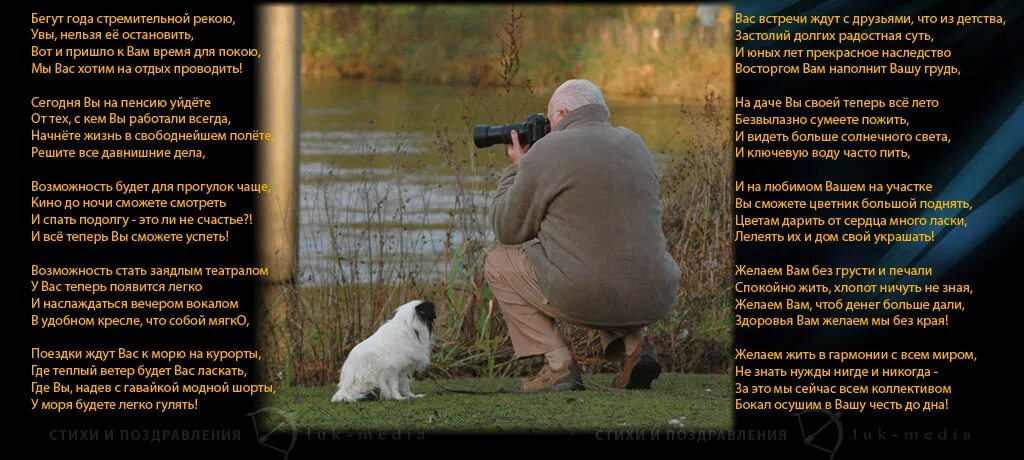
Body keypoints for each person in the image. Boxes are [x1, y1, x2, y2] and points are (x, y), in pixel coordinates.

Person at [484, 79, 681, 393]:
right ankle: (635, 348)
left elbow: (507, 229)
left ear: (562, 112)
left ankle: (558, 365)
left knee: (498, 262)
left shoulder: (547, 150)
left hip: (588, 293)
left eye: (550, 121)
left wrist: (518, 168)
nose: (549, 128)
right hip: (656, 293)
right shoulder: (635, 143)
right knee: (604, 249)